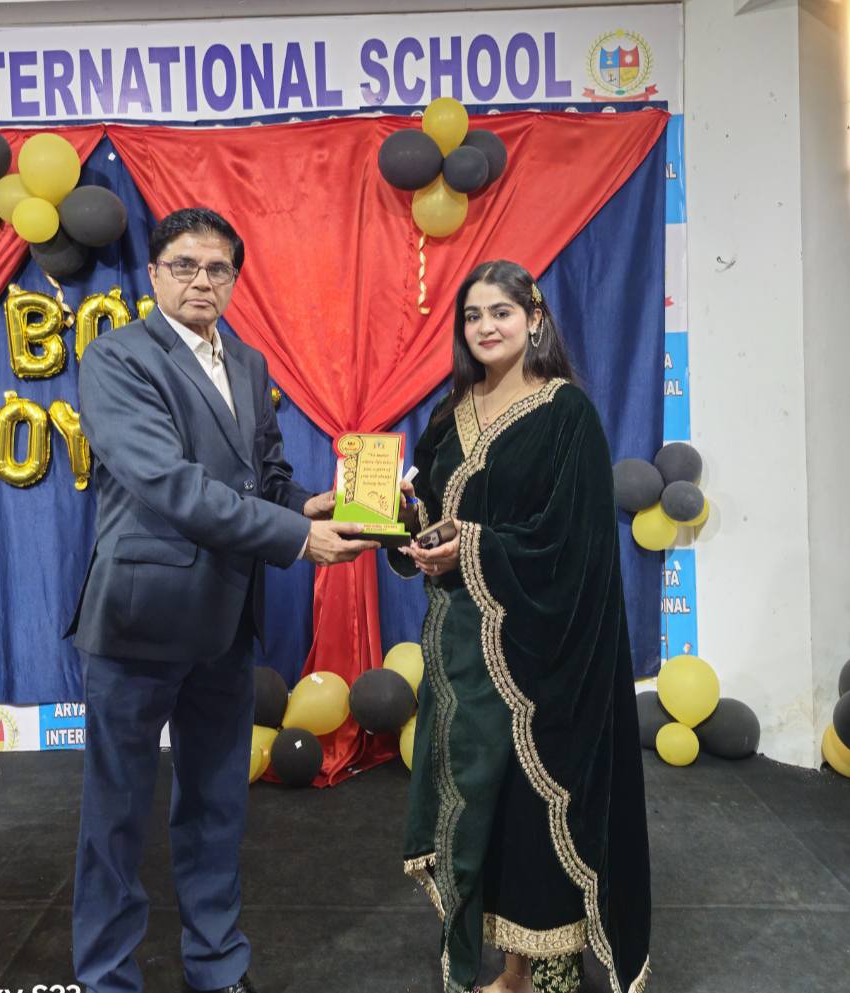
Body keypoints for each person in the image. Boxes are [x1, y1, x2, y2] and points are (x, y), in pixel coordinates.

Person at [66, 207, 378, 993]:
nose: (201, 280)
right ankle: (105, 975)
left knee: (215, 804)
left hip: (227, 619)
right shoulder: (116, 357)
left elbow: (264, 475)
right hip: (140, 619)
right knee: (116, 815)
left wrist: (309, 504)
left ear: (235, 279)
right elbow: (168, 484)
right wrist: (297, 537)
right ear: (155, 274)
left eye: (217, 268)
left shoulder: (246, 360)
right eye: (185, 265)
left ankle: (216, 964)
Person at [391, 260, 651, 993]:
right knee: (487, 813)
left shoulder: (566, 414)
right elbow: (437, 511)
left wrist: (471, 544)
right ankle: (511, 973)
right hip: (461, 653)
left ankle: (550, 978)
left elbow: (571, 540)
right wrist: (405, 522)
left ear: (534, 318)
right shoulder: (450, 413)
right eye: (472, 315)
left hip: (541, 652)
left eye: (500, 312)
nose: (485, 327)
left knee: (538, 814)